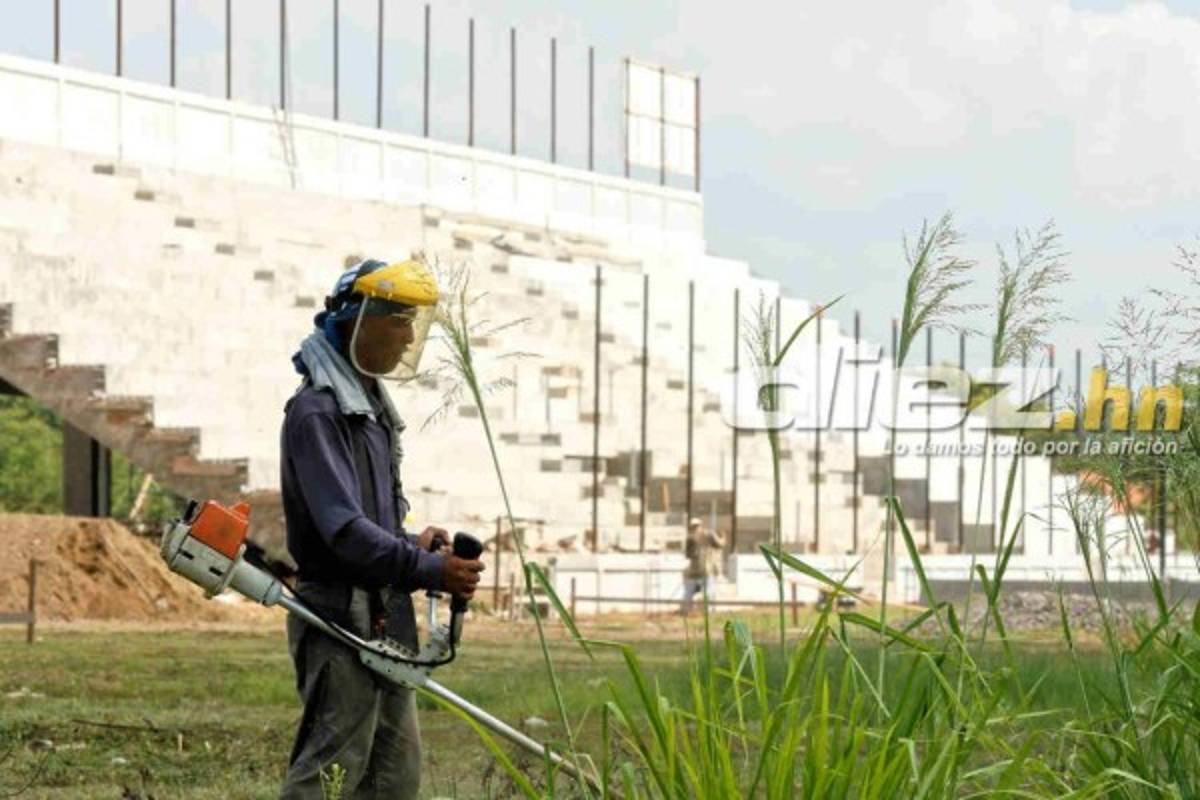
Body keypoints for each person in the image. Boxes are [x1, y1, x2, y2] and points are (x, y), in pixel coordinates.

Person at [279, 257, 484, 799]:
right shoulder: (319, 413)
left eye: (412, 323)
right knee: (331, 771)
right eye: (398, 321)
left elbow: (369, 524)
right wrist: (429, 569)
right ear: (358, 322)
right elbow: (344, 533)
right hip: (339, 611)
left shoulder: (370, 412)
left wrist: (413, 546)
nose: (409, 336)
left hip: (384, 609)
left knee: (394, 776)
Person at [681, 517, 725, 615]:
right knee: (709, 591)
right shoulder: (708, 534)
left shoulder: (689, 538)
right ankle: (708, 612)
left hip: (693, 571)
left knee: (688, 593)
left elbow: (687, 555)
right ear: (701, 525)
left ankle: (686, 611)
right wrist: (723, 537)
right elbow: (720, 544)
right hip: (706, 570)